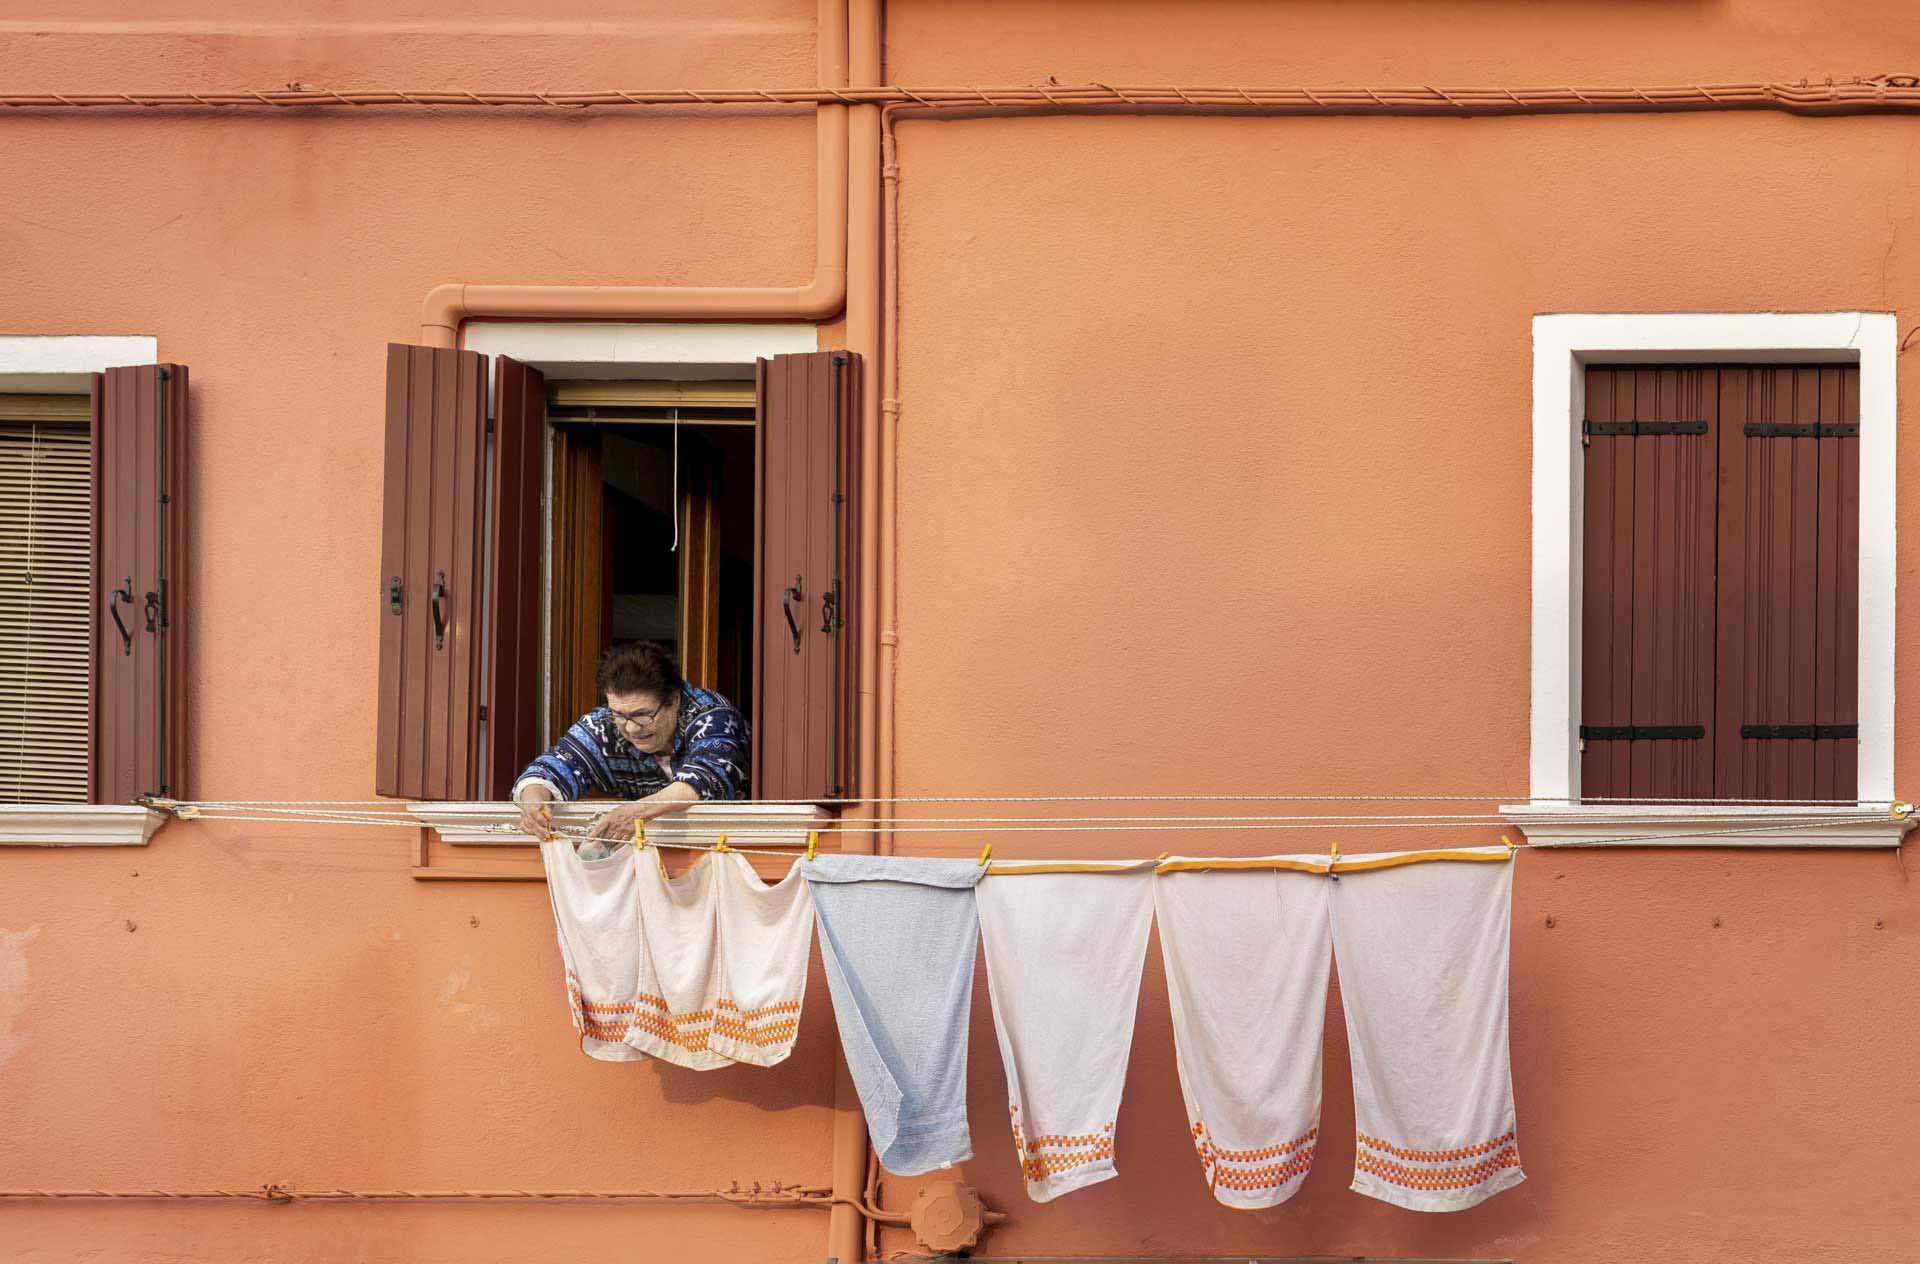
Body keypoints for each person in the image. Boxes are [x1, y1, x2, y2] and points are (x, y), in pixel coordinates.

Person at [512, 641, 750, 845]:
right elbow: (549, 768)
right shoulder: (605, 724)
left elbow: (706, 777)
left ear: (674, 700)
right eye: (620, 714)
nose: (631, 728)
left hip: (731, 849)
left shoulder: (712, 714)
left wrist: (636, 811)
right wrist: (535, 803)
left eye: (643, 715)